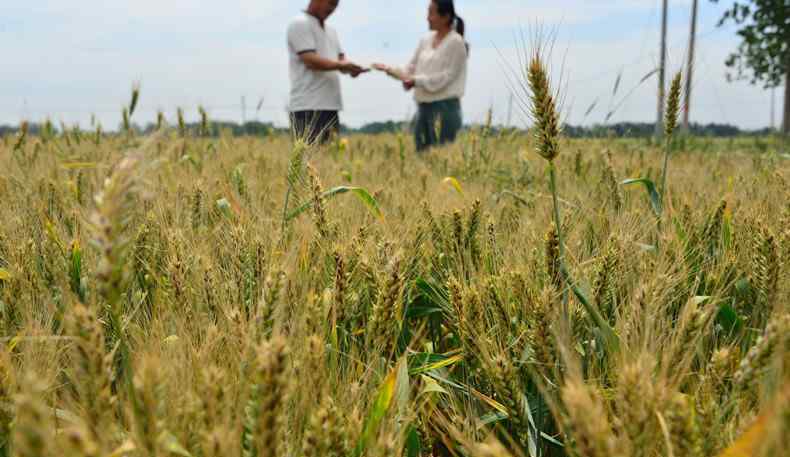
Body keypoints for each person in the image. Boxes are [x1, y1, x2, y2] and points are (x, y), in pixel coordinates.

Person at [373, 0, 468, 152]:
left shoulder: (456, 42)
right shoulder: (425, 40)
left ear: (445, 17)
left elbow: (447, 77)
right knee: (422, 158)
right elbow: (411, 69)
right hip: (423, 109)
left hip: (445, 110)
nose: (427, 17)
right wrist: (390, 70)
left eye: (431, 13)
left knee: (443, 159)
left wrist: (416, 81)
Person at [287, 0, 368, 145]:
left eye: (336, 4)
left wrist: (352, 69)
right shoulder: (299, 23)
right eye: (330, 3)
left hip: (331, 105)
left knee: (329, 160)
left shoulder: (332, 31)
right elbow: (310, 60)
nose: (333, 8)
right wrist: (342, 65)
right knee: (308, 162)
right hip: (307, 106)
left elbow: (340, 60)